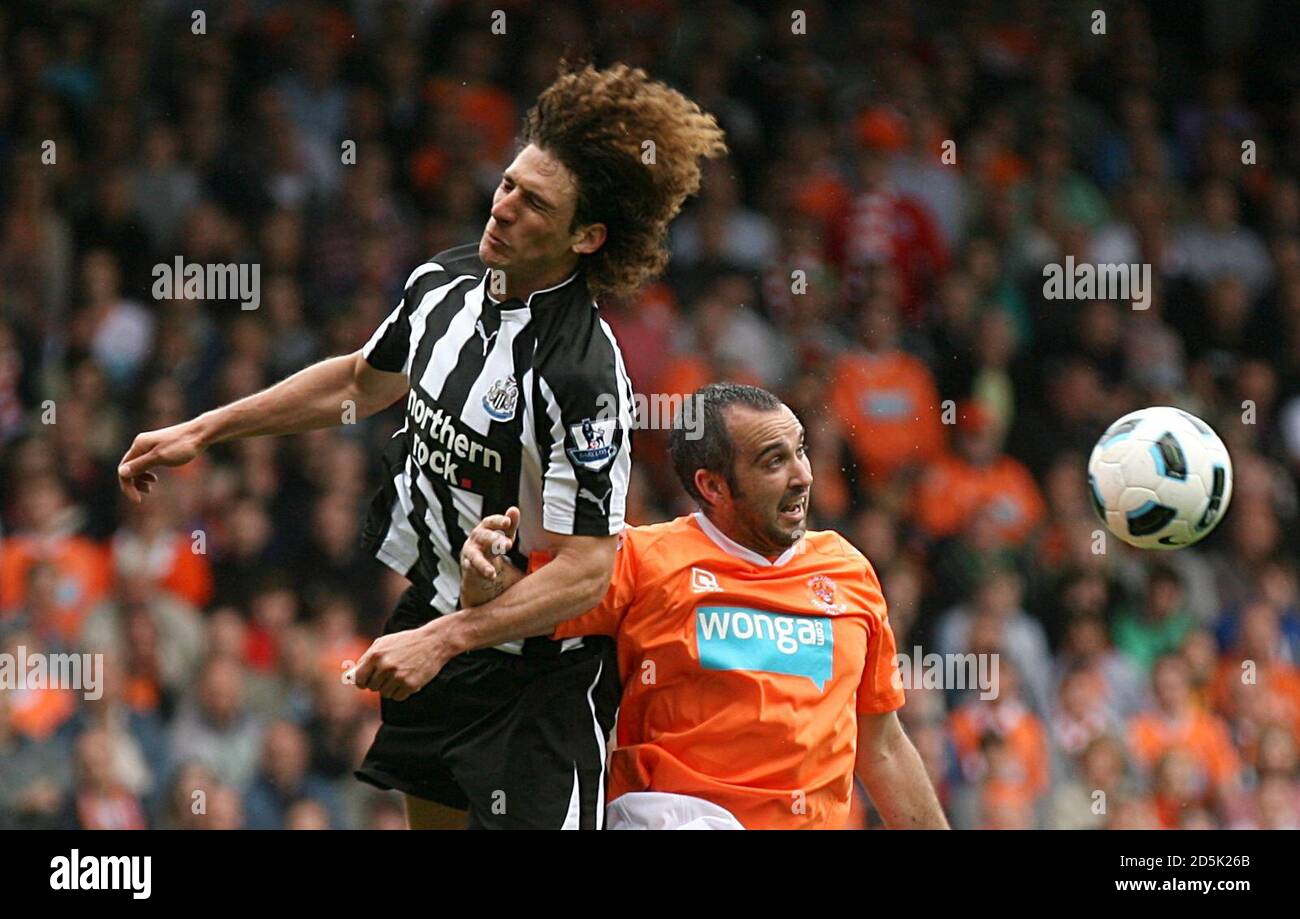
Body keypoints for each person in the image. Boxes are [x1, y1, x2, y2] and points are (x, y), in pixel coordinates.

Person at [118, 62, 728, 829]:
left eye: (533, 201)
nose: (502, 208)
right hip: (437, 620)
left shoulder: (582, 371)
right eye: (508, 183)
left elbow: (588, 566)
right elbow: (357, 383)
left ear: (587, 236)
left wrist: (448, 639)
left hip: (538, 678)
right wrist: (202, 429)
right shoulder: (444, 281)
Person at [377, 383, 947, 829]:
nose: (802, 475)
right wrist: (484, 575)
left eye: (800, 451)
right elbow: (513, 602)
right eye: (773, 461)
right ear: (714, 486)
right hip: (673, 817)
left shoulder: (848, 572)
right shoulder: (643, 559)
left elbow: (884, 746)